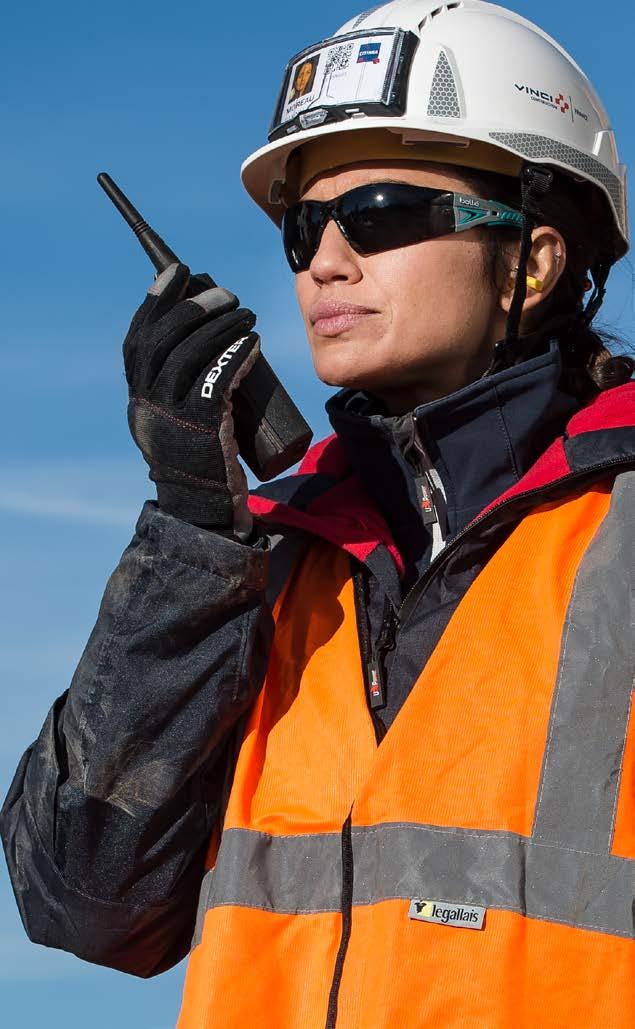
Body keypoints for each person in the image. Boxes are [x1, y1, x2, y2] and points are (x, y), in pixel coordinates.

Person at [2, 1, 634, 1026]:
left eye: (378, 213)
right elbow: (84, 902)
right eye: (305, 226)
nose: (324, 261)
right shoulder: (262, 558)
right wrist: (192, 526)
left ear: (531, 259)